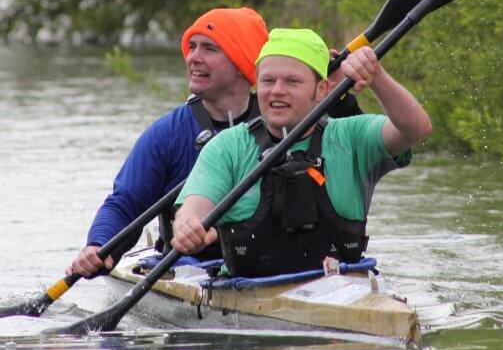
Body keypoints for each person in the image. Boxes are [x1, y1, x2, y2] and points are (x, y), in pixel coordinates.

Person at [171, 28, 432, 278]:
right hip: (248, 292)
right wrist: (188, 227)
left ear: (322, 90)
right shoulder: (227, 146)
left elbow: (416, 128)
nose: (277, 90)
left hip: (342, 289)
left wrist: (377, 78)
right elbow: (194, 208)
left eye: (292, 82)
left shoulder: (353, 137)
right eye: (268, 81)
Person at [67, 7, 270, 278]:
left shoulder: (283, 123)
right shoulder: (167, 134)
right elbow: (125, 203)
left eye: (209, 48)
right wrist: (99, 244)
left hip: (270, 262)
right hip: (192, 267)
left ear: (241, 66)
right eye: (192, 46)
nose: (193, 57)